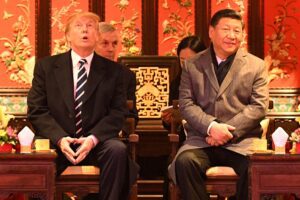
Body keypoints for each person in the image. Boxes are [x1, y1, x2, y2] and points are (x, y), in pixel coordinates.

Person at [27, 12, 130, 200]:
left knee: (118, 150)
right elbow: (37, 109)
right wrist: (60, 139)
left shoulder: (114, 72)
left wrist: (92, 139)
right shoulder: (47, 66)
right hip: (57, 142)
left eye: (90, 26)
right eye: (79, 26)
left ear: (97, 35)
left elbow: (118, 112)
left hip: (96, 142)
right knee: (39, 156)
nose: (85, 29)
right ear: (67, 36)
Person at [168, 9, 269, 200]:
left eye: (237, 31)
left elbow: (259, 106)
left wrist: (226, 132)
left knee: (254, 168)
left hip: (242, 142)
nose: (232, 36)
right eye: (226, 29)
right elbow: (186, 104)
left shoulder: (256, 66)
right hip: (202, 141)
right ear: (211, 32)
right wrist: (211, 127)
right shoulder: (193, 64)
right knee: (184, 163)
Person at [162, 36, 206, 200]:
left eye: (191, 60)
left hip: (210, 137)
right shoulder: (177, 83)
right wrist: (168, 120)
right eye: (182, 61)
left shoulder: (213, 81)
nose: (186, 65)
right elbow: (170, 120)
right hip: (185, 139)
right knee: (171, 161)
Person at [95, 22, 138, 131]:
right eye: (104, 43)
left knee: (116, 147)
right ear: (92, 45)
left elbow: (132, 115)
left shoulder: (126, 75)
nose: (111, 49)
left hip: (112, 134)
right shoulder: (79, 71)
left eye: (114, 44)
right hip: (81, 133)